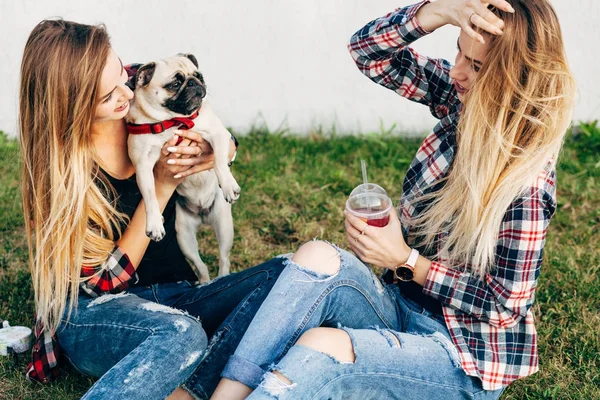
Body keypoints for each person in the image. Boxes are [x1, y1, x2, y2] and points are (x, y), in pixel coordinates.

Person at [209, 0, 576, 398]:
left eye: (477, 66)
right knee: (316, 258)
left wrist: (406, 261)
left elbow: (505, 304)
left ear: (516, 80)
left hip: (460, 356)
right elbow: (368, 52)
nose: (456, 71)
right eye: (459, 50)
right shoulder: (463, 105)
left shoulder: (529, 184)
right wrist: (441, 10)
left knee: (321, 346)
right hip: (399, 309)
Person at [19, 19, 285, 400]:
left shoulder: (142, 85)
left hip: (176, 294)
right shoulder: (59, 175)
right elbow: (100, 283)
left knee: (285, 281)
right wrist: (162, 184)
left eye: (122, 72)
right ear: (71, 108)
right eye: (108, 96)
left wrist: (214, 153)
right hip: (96, 312)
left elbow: (215, 127)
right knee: (185, 335)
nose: (125, 92)